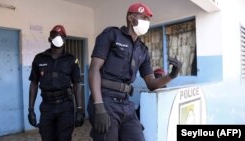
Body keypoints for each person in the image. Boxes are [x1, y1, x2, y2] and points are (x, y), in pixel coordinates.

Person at [87, 2, 182, 141]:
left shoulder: (142, 50)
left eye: (148, 20)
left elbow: (151, 83)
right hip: (106, 100)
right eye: (144, 18)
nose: (147, 22)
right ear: (131, 18)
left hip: (126, 104)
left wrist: (171, 76)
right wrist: (99, 107)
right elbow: (94, 69)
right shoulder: (111, 35)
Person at [28, 25, 84, 141]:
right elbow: (33, 83)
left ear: (64, 39)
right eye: (55, 35)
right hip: (47, 106)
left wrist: (79, 109)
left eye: (61, 36)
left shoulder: (71, 59)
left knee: (64, 138)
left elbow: (77, 84)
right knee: (46, 137)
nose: (58, 38)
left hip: (65, 106)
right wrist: (31, 109)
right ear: (49, 38)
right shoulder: (39, 59)